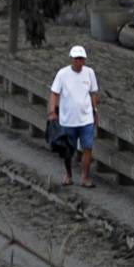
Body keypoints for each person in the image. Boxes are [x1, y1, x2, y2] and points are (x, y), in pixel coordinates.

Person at [47, 44, 100, 188]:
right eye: (76, 59)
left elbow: (93, 93)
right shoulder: (62, 74)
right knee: (67, 150)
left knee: (87, 147)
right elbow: (54, 93)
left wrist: (95, 112)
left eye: (81, 59)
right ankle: (69, 174)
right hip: (68, 120)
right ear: (71, 59)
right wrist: (52, 111)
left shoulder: (89, 73)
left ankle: (84, 177)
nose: (79, 62)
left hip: (86, 119)